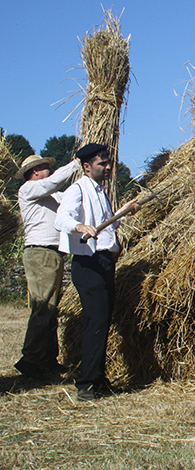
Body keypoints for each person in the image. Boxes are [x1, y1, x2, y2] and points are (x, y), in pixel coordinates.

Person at [54, 144, 140, 401]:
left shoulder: (100, 192)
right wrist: (80, 226)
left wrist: (123, 213)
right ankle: (86, 384)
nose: (108, 167)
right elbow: (61, 218)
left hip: (103, 261)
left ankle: (98, 380)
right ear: (86, 166)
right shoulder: (77, 189)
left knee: (102, 322)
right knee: (95, 323)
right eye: (102, 163)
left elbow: (106, 225)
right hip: (88, 263)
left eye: (109, 162)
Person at [14, 153, 80, 378]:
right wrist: (76, 164)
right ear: (34, 172)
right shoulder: (28, 189)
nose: (49, 171)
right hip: (41, 252)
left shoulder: (52, 196)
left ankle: (48, 359)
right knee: (44, 307)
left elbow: (67, 197)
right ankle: (30, 359)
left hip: (51, 253)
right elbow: (53, 181)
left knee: (51, 308)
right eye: (44, 168)